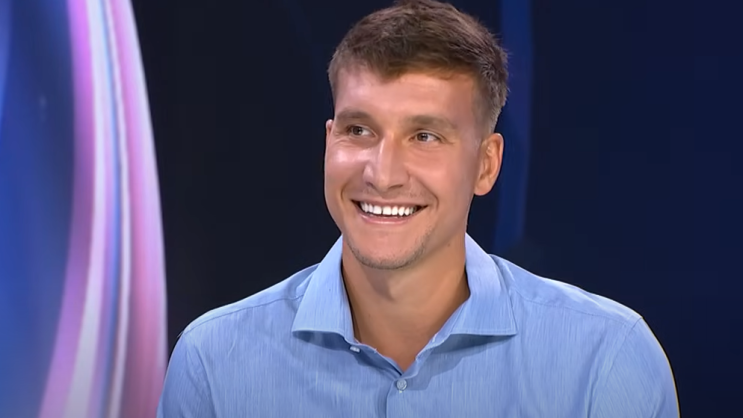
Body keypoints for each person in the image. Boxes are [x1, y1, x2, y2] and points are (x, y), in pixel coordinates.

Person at [157, 0, 679, 416]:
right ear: (329, 141)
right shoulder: (214, 362)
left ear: (486, 165)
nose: (382, 174)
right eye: (359, 130)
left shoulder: (604, 361)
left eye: (425, 136)